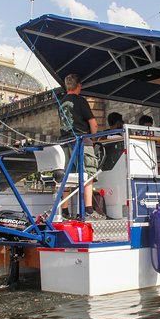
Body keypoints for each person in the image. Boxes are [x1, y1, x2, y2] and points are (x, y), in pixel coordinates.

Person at [58, 73, 105, 220]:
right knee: (88, 175)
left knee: (67, 177)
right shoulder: (80, 100)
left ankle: (64, 212)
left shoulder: (61, 102)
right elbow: (94, 124)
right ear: (79, 86)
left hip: (65, 144)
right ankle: (88, 210)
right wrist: (93, 138)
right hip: (82, 142)